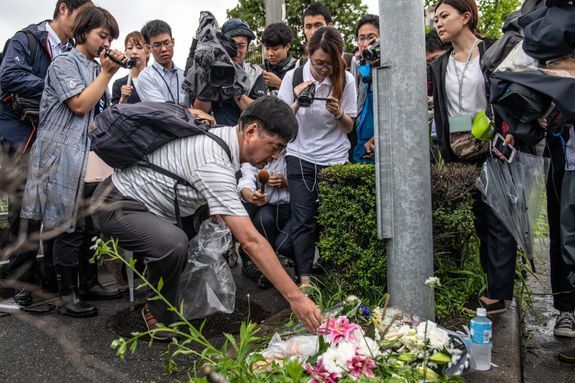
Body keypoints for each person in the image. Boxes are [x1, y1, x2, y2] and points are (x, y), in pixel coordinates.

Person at [91, 96, 322, 339]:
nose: (275, 157)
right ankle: (157, 313)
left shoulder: (223, 138)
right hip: (116, 204)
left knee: (186, 239)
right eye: (274, 147)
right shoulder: (213, 160)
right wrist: (296, 298)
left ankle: (170, 296)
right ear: (252, 131)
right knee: (173, 243)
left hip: (153, 206)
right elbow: (250, 241)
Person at [20, 6, 126, 317]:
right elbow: (79, 105)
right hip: (61, 155)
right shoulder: (63, 63)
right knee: (66, 224)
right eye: (102, 36)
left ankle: (88, 283)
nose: (106, 43)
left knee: (88, 223)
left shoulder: (95, 68)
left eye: (110, 38)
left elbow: (98, 113)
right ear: (83, 32)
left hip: (86, 155)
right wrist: (108, 73)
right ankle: (66, 296)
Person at [0, 0, 93, 306]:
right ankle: (19, 290)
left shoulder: (70, 52)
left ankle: (48, 284)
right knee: (23, 216)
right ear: (64, 9)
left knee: (52, 212)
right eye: (83, 16)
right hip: (20, 138)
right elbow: (8, 75)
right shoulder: (26, 39)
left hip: (51, 143)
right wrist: (58, 88)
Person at [430, 0, 516, 314]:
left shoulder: (494, 51)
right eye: (435, 18)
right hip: (460, 148)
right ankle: (493, 284)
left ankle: (498, 293)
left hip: (495, 145)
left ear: (466, 17)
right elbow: (441, 108)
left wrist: (509, 129)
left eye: (444, 16)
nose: (437, 23)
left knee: (500, 218)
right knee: (481, 218)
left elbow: (513, 92)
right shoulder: (440, 64)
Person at [278, 27, 357, 288]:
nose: (324, 70)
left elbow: (349, 127)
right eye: (319, 63)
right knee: (303, 219)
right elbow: (280, 122)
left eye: (330, 65)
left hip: (334, 157)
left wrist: (338, 112)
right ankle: (305, 278)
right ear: (309, 53)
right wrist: (298, 101)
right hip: (299, 156)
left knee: (337, 217)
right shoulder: (292, 77)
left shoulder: (345, 80)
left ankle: (337, 273)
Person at [237, 151, 293, 289]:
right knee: (263, 220)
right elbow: (246, 180)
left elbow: (305, 177)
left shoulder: (293, 152)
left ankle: (300, 269)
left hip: (293, 207)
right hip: (270, 206)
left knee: (285, 245)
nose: (274, 155)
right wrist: (252, 196)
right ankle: (269, 269)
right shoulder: (256, 153)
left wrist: (288, 182)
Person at [193, 19, 266, 126]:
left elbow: (261, 113)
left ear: (247, 47)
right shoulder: (208, 70)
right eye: (231, 44)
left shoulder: (256, 73)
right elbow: (198, 112)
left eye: (241, 46)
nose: (236, 50)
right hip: (213, 136)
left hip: (245, 138)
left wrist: (236, 90)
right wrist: (209, 82)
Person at [350, 14, 379, 163]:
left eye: (371, 37)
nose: (366, 42)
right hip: (359, 149)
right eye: (361, 38)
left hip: (382, 145)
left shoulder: (384, 69)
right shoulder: (354, 68)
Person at [111, 31, 150, 104]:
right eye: (130, 48)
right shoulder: (119, 84)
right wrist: (122, 100)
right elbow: (114, 114)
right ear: (125, 52)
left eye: (139, 47)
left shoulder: (158, 80)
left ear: (148, 51)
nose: (134, 52)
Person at [261, 23, 297, 94]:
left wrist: (280, 84)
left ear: (287, 46)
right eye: (267, 48)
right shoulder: (260, 70)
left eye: (275, 49)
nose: (270, 53)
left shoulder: (297, 69)